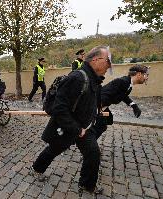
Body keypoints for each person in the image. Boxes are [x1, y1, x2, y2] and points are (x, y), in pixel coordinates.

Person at [31, 46, 112, 195]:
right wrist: (76, 129)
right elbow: (59, 109)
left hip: (84, 127)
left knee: (93, 153)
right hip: (69, 127)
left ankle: (87, 185)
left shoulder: (94, 79)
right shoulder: (77, 78)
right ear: (96, 60)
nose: (109, 66)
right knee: (54, 149)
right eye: (107, 61)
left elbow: (92, 101)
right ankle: (37, 168)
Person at [93, 64, 150, 139]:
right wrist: (97, 110)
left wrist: (134, 106)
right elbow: (104, 94)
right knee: (100, 125)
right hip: (96, 107)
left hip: (102, 107)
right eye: (146, 75)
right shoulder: (122, 81)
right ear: (139, 74)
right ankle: (88, 142)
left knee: (108, 119)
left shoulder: (128, 84)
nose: (147, 77)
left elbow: (123, 95)